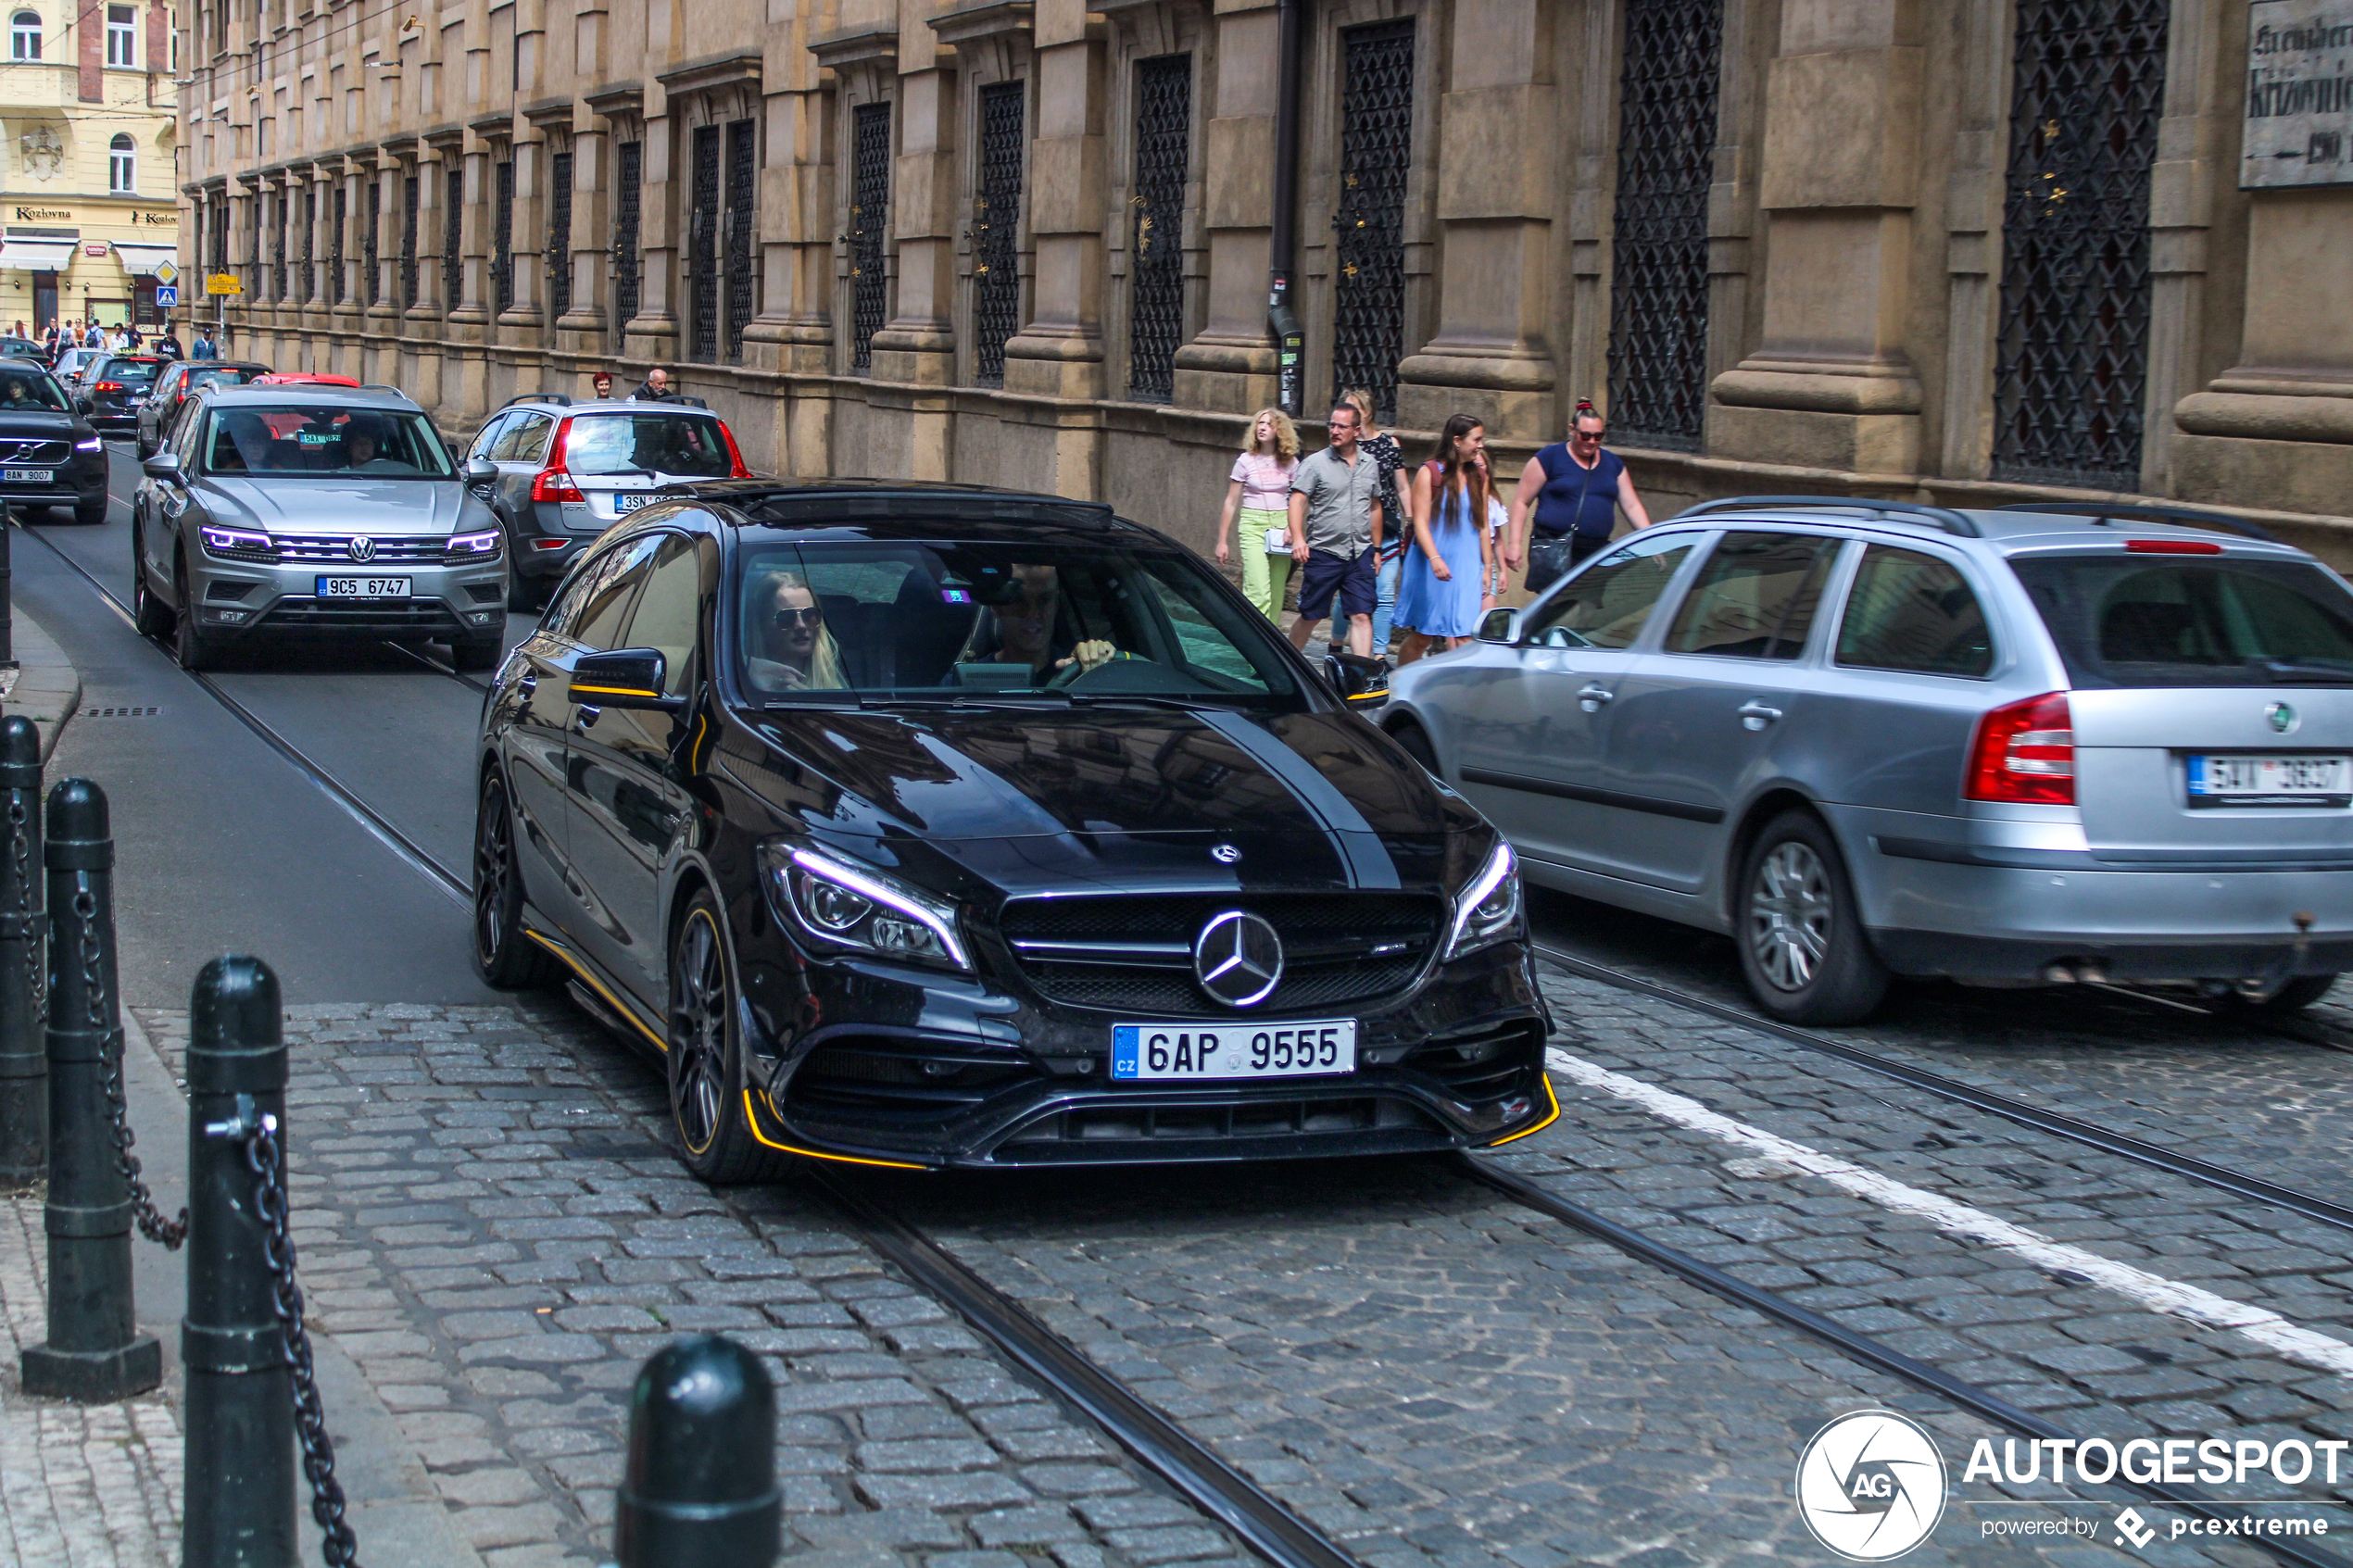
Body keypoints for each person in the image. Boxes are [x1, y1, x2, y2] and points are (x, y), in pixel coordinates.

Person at [1507, 398, 1653, 596]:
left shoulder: (1612, 463)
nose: (1592, 441)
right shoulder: (1549, 457)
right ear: (1572, 430)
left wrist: (1651, 539)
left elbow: (1632, 505)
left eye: (1598, 436)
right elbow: (1521, 502)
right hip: (1556, 547)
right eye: (1585, 436)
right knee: (1555, 606)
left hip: (1594, 552)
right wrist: (1514, 545)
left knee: (1588, 608)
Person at [1393, 415, 1499, 665]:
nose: (1481, 445)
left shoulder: (1479, 476)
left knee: (1464, 635)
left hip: (1467, 565)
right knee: (1422, 636)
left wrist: (1487, 567)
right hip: (1432, 565)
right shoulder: (1429, 473)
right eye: (1477, 439)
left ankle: (1467, 696)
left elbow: (1483, 524)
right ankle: (1400, 682)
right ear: (1457, 441)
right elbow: (1420, 522)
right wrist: (1435, 558)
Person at [1285, 402, 1383, 660]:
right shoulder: (1316, 463)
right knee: (1311, 615)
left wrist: (1377, 549)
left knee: (1361, 614)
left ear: (1357, 430)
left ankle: (1362, 676)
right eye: (1332, 425)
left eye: (1342, 426)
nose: (1335, 431)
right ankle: (1288, 663)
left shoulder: (1370, 464)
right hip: (1324, 551)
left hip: (1359, 552)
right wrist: (1298, 538)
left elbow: (1374, 506)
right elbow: (1297, 501)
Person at [958, 562, 1123, 679]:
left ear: (1056, 604)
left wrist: (1102, 659)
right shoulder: (967, 681)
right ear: (996, 607)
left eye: (1044, 600)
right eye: (1019, 600)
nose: (1032, 614)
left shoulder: (1080, 666)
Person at [1213, 408, 1300, 623]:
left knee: (1277, 591)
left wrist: (1292, 527)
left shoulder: (1291, 462)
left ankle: (1273, 644)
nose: (1262, 428)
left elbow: (1298, 499)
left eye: (1269, 424)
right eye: (1260, 423)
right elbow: (1231, 502)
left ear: (1280, 430)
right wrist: (1222, 541)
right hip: (1253, 524)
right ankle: (1256, 644)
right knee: (1258, 589)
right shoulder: (1245, 460)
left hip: (1282, 525)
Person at [745, 571, 849, 692]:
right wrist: (749, 667)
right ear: (762, 625)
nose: (801, 626)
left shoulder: (841, 687)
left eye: (810, 615)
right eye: (786, 617)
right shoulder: (736, 686)